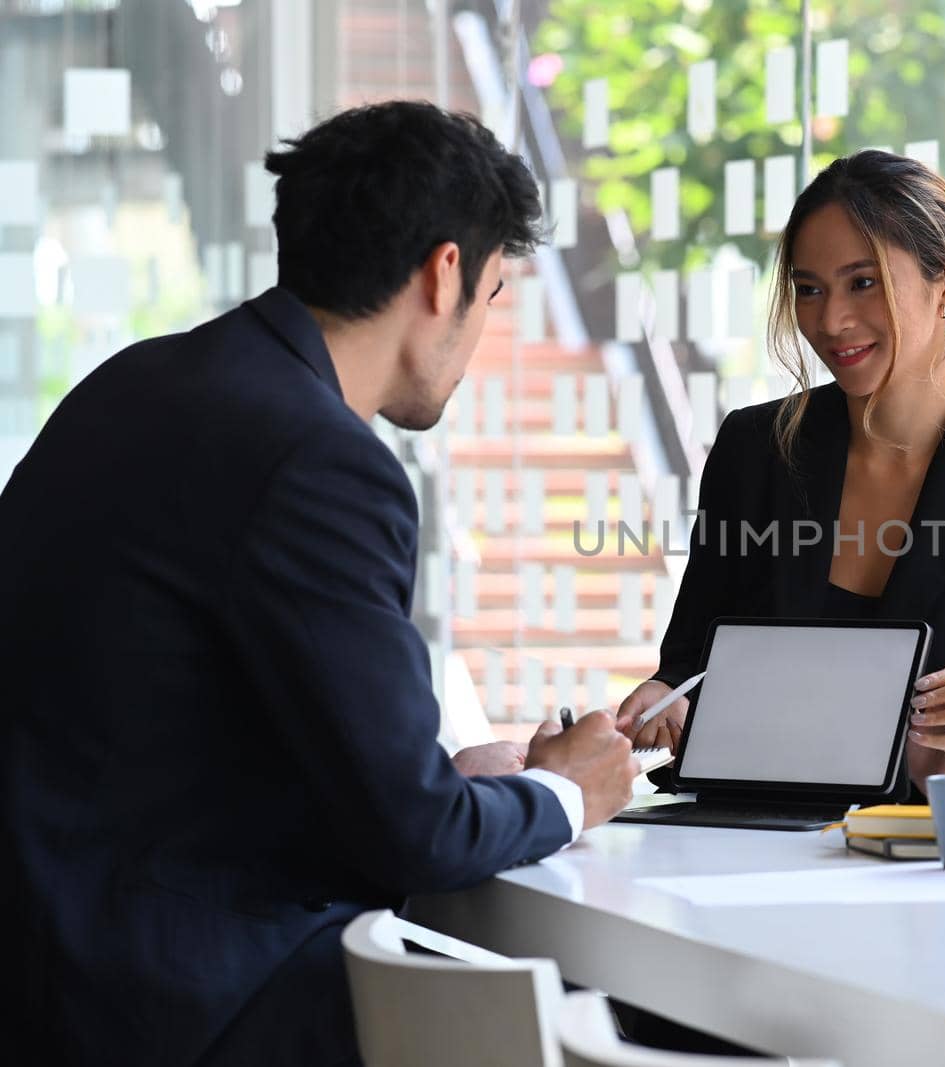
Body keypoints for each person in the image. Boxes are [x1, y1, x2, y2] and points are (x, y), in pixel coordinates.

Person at [0, 101, 638, 1067]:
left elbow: (160, 733)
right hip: (186, 1005)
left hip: (52, 972)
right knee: (621, 1019)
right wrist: (566, 791)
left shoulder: (137, 383)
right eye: (495, 295)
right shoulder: (318, 460)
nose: (478, 342)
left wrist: (443, 781)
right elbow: (410, 840)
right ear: (445, 272)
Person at [617, 150, 945, 797]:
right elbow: (691, 665)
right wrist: (661, 696)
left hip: (919, 873)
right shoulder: (754, 450)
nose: (831, 320)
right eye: (809, 288)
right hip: (740, 849)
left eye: (862, 282)